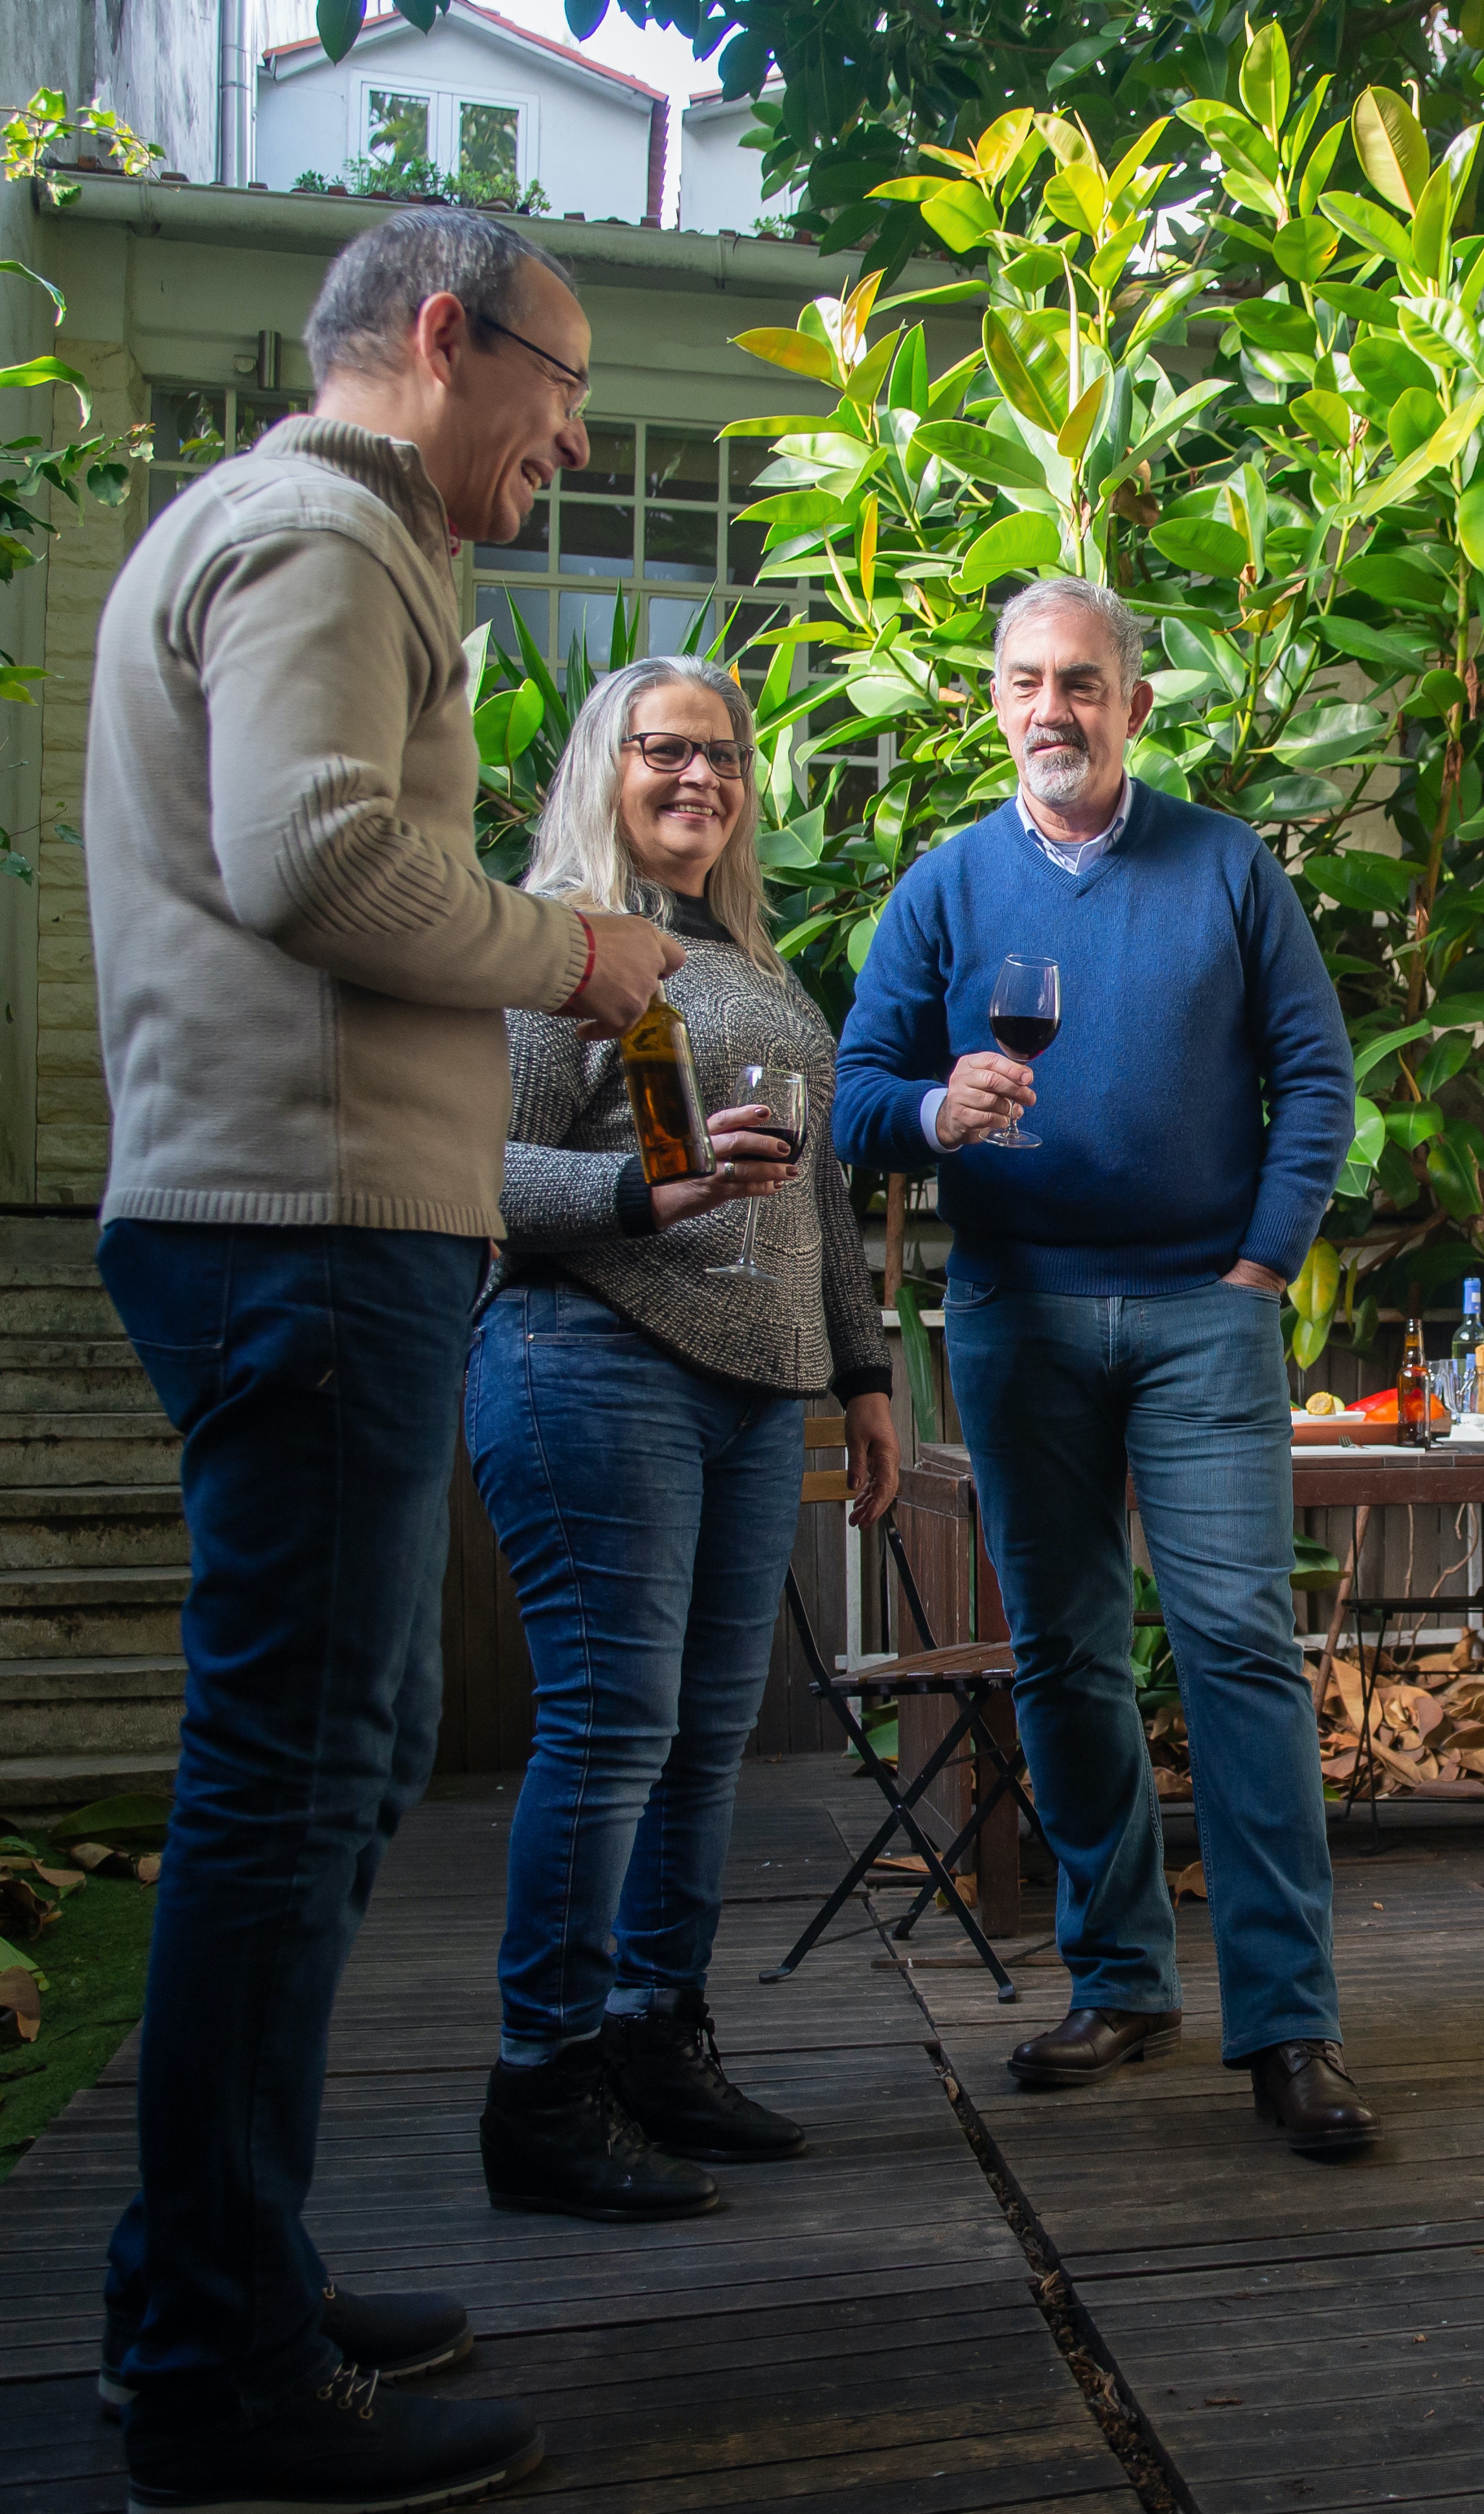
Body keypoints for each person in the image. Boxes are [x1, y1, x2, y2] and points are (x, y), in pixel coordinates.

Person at [84, 208, 687, 2514]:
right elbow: (318, 857)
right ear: (441, 341)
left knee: (318, 1774)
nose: (569, 431)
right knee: (288, 1778)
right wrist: (577, 949)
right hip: (293, 1234)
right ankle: (218, 2374)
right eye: (555, 380)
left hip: (290, 1231)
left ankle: (214, 2281)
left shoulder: (267, 532)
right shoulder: (327, 531)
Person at [830, 577, 1373, 2154]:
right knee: (1067, 1657)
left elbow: (1316, 1080)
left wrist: (1261, 1263)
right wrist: (937, 1111)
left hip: (1204, 1315)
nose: (1050, 707)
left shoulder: (1224, 867)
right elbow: (858, 1089)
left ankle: (1287, 2022)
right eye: (1022, 680)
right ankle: (1120, 1978)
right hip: (1016, 1315)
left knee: (1236, 1648)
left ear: (1134, 703)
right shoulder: (944, 888)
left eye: (1081, 680)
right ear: (991, 702)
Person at [467, 653, 904, 2221]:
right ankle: (545, 2081)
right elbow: (473, 1174)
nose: (700, 777)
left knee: (701, 1740)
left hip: (750, 1389)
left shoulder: (761, 972)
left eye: (722, 755)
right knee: (610, 1733)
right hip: (591, 1359)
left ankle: (656, 2035)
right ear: (606, 761)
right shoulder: (557, 952)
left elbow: (820, 1199)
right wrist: (633, 1192)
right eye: (666, 749)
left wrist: (863, 1371)